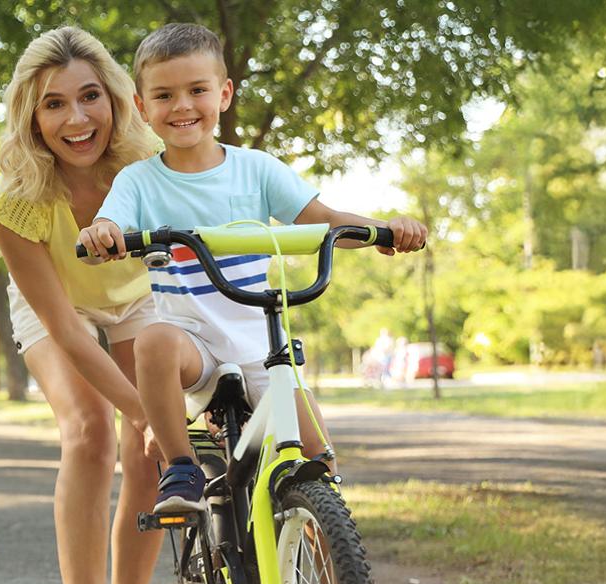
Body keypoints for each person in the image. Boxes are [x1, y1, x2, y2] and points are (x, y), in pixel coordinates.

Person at [79, 22, 428, 516]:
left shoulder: (258, 169)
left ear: (223, 94)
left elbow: (324, 221)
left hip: (262, 347)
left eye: (197, 90)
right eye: (164, 95)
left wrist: (384, 231)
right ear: (142, 106)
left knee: (320, 468)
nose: (181, 106)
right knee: (153, 338)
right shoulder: (138, 182)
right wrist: (101, 235)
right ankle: (181, 464)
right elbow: (109, 223)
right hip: (192, 346)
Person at [0, 27, 190, 584]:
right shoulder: (13, 200)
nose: (77, 120)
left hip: (134, 295)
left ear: (115, 98)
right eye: (54, 105)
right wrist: (139, 408)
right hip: (57, 310)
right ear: (31, 115)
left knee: (151, 450)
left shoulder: (153, 162)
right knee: (92, 433)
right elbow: (70, 334)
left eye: (90, 97)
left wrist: (154, 416)